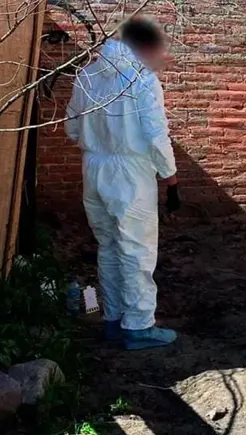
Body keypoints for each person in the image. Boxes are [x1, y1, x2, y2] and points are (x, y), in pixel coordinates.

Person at [65, 17, 181, 350]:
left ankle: (113, 319)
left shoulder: (86, 76)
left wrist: (97, 142)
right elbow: (157, 137)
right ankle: (139, 326)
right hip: (130, 172)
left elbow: (72, 129)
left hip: (94, 167)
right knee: (138, 251)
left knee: (109, 246)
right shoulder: (142, 81)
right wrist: (170, 179)